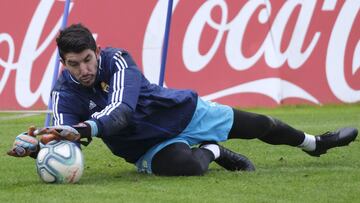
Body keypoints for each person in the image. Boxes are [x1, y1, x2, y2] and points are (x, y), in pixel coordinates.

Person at [7, 23, 358, 176]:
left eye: (88, 59)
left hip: (184, 113)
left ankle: (315, 143)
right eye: (74, 64)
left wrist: (80, 128)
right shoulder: (63, 92)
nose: (84, 69)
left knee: (261, 124)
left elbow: (122, 112)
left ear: (97, 52)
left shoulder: (118, 60)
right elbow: (65, 136)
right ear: (62, 63)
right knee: (187, 168)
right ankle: (216, 151)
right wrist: (37, 148)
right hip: (146, 148)